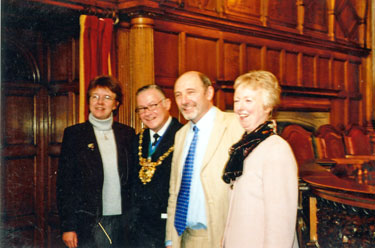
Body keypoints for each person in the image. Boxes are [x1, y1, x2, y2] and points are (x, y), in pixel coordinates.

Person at [165, 71, 243, 248]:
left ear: (209, 93)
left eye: (191, 92)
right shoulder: (180, 135)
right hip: (184, 237)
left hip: (221, 237)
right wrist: (170, 239)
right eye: (178, 95)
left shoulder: (235, 126)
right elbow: (174, 192)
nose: (184, 100)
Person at [222, 70, 299, 248]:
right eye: (237, 100)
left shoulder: (276, 149)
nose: (240, 107)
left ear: (267, 106)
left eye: (248, 100)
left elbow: (281, 226)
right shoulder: (244, 147)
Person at [56, 75, 135, 248]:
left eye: (107, 97)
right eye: (95, 96)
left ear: (116, 104)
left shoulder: (128, 134)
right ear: (88, 101)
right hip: (89, 223)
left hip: (123, 222)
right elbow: (65, 184)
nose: (100, 102)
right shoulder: (74, 135)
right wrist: (68, 226)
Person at [128, 85, 182, 247]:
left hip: (168, 230)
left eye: (153, 105)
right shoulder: (136, 140)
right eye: (142, 108)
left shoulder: (183, 136)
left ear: (167, 104)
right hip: (137, 232)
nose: (148, 112)